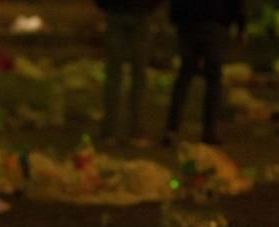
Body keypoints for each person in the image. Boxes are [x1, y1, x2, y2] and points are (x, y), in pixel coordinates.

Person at [164, 0, 246, 146]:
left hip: (188, 22)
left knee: (184, 77)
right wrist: (241, 25)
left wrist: (176, 18)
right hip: (216, 23)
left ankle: (172, 129)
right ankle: (209, 131)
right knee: (213, 79)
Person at [96, 0, 163, 146]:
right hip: (137, 12)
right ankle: (135, 131)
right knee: (138, 77)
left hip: (120, 11)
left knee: (116, 76)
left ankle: (111, 130)